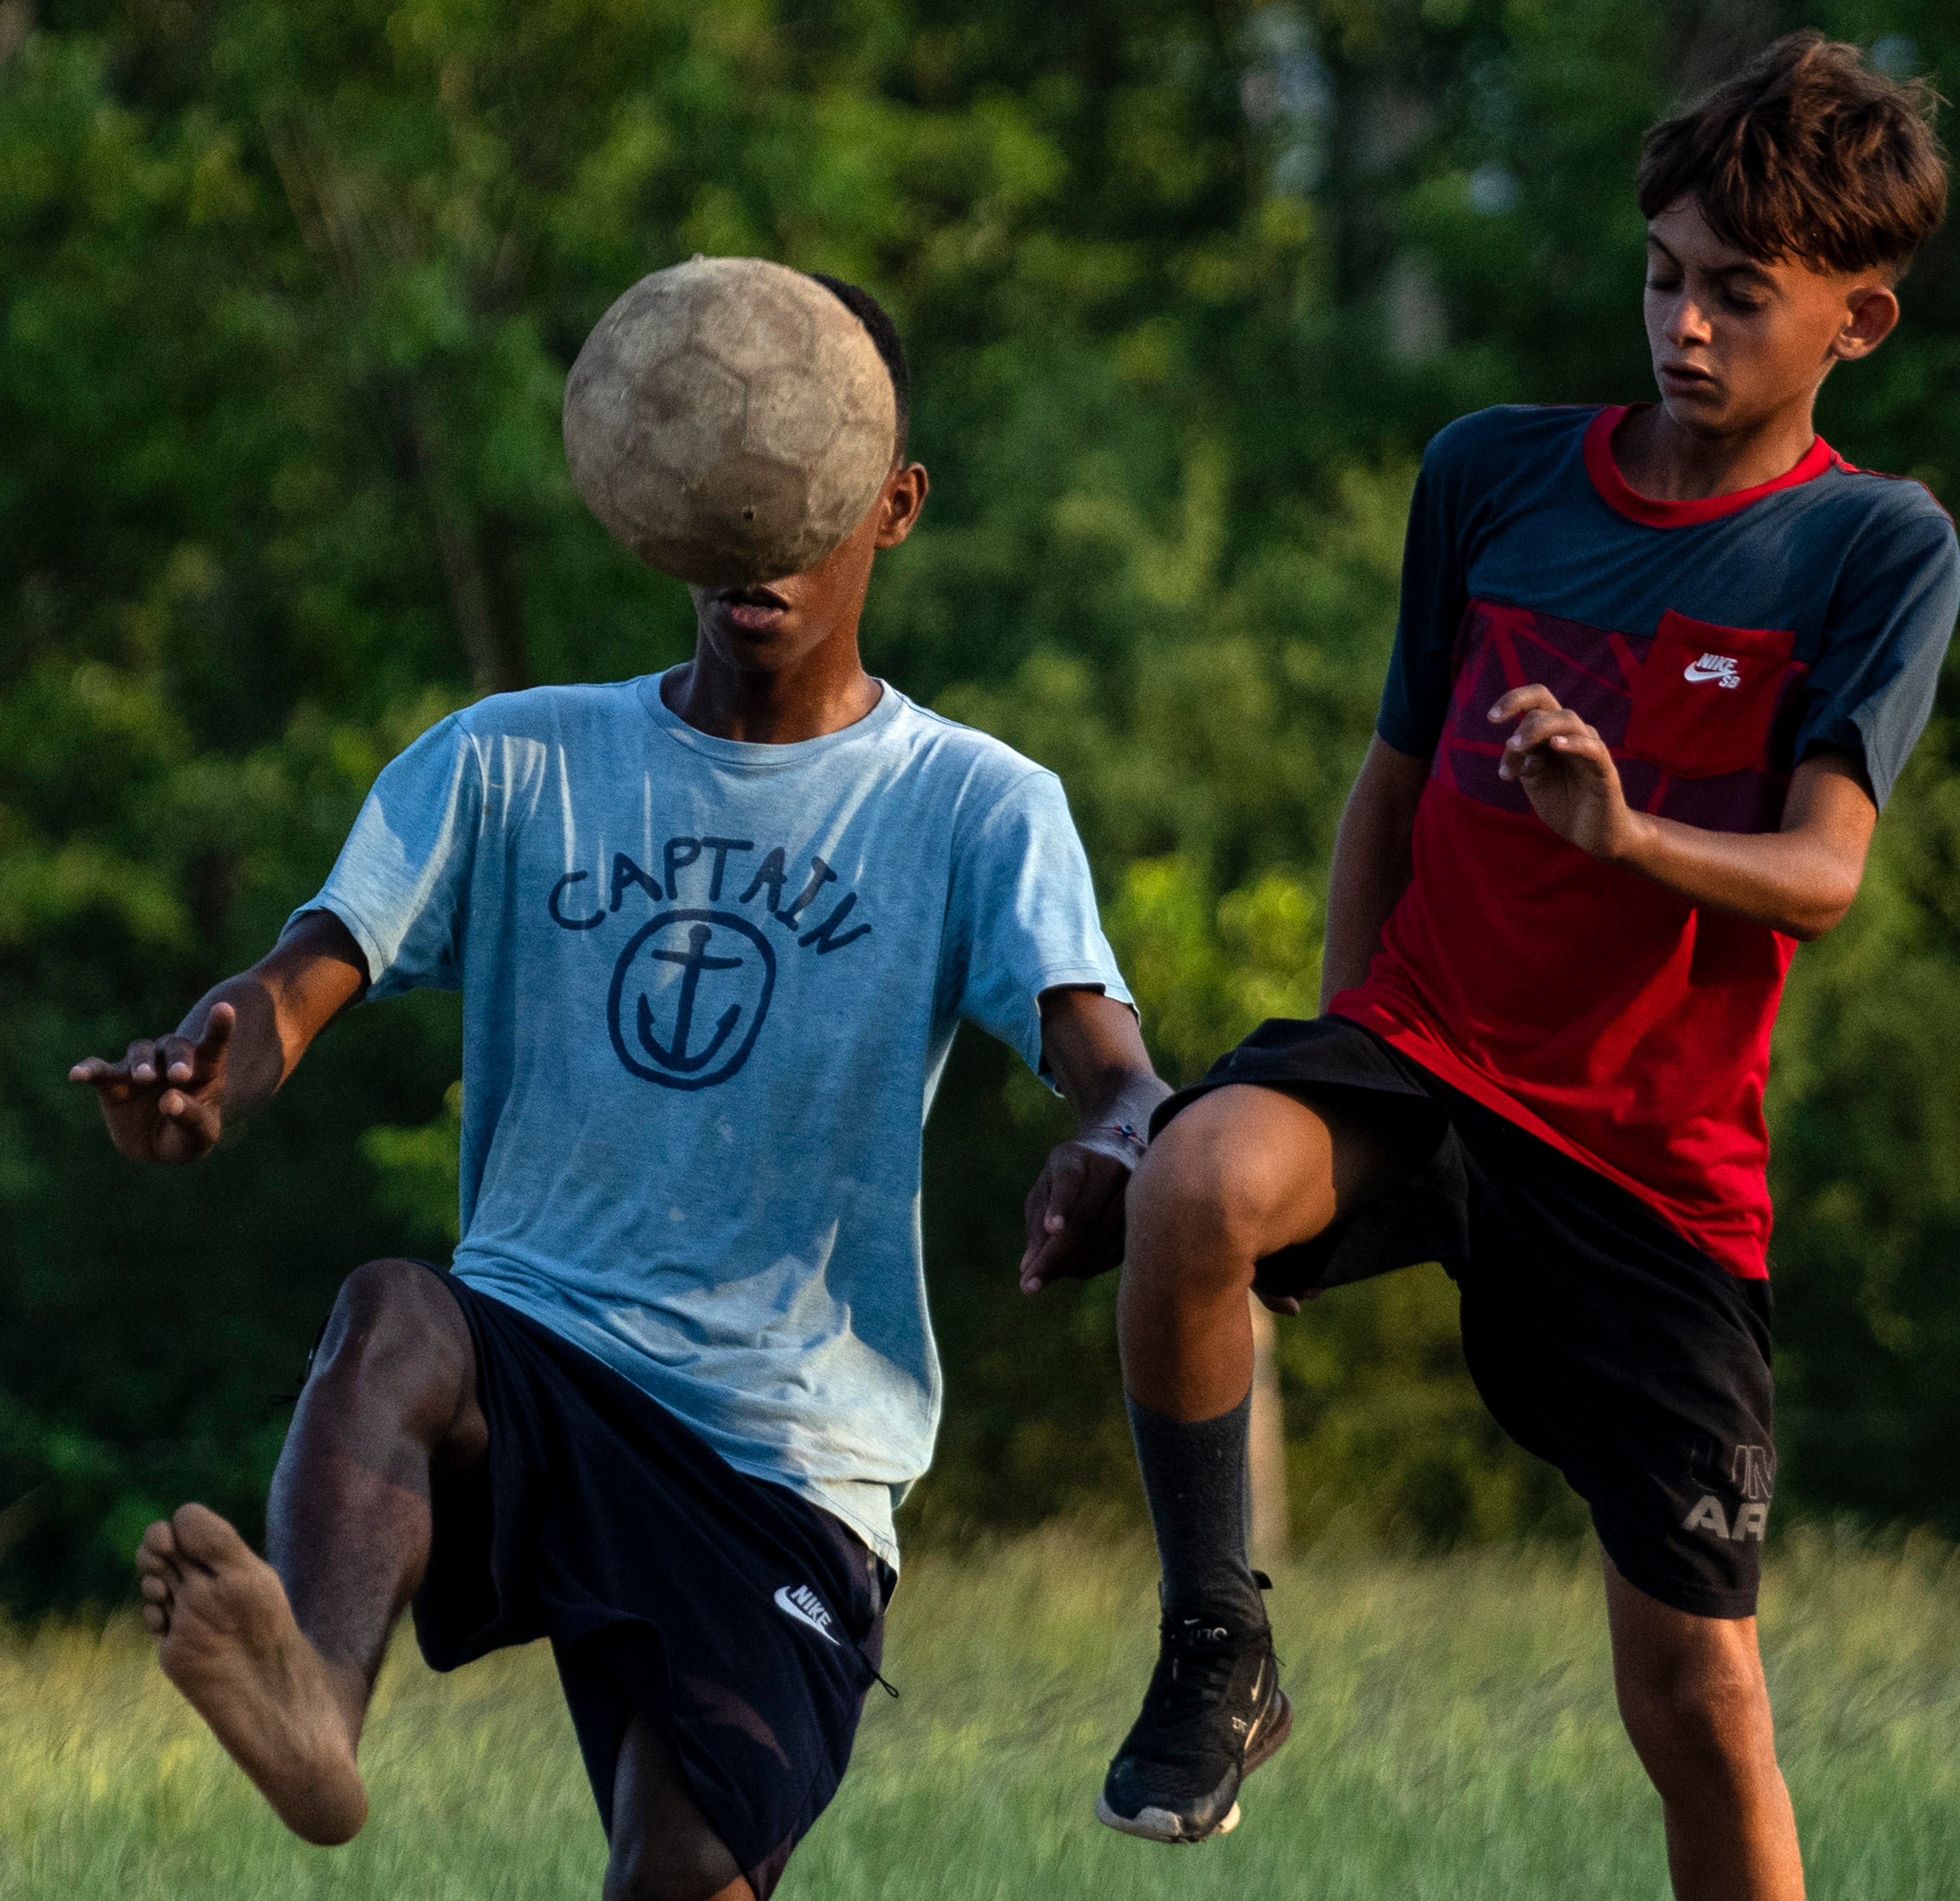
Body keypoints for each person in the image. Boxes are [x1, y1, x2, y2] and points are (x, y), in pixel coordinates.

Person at [70, 274, 1165, 1901]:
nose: (759, 523)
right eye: (721, 468)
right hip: (544, 1367)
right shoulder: (511, 761)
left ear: (897, 505)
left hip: (788, 1459)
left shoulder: (972, 804)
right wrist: (206, 1076)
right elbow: (300, 980)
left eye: (804, 480)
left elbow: (1118, 1073)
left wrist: (1127, 1151)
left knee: (681, 1880)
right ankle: (312, 1705)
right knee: (394, 1316)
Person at [1091, 34, 1960, 1897]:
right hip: (1423, 1053)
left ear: (1858, 321)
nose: (1688, 326)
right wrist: (1328, 1047)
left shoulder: (1871, 547)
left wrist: (1628, 834)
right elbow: (1390, 785)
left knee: (1695, 1697)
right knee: (1193, 1179)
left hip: (1652, 1165)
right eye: (1665, 275)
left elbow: (1822, 875)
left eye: (1743, 293)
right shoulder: (1490, 478)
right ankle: (1217, 1648)